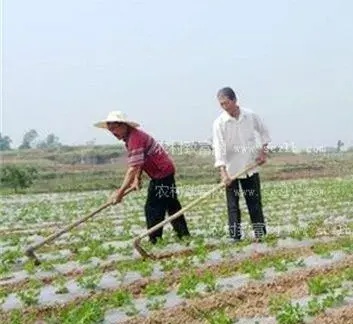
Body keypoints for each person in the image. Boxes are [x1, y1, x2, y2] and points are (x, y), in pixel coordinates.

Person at [94, 110, 191, 244]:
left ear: (123, 126)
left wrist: (120, 193)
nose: (113, 133)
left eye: (114, 129)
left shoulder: (135, 139)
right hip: (165, 172)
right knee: (171, 205)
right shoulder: (131, 138)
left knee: (152, 208)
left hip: (162, 174)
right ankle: (184, 235)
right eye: (110, 130)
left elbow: (132, 168)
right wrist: (136, 180)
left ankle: (155, 241)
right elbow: (139, 161)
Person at [212, 87, 271, 242]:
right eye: (221, 104)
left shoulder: (250, 116)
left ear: (234, 100)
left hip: (250, 166)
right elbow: (219, 149)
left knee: (254, 202)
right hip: (231, 171)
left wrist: (263, 153)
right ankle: (235, 237)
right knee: (233, 206)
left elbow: (264, 133)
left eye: (226, 103)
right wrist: (223, 173)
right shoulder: (219, 123)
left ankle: (260, 234)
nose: (224, 107)